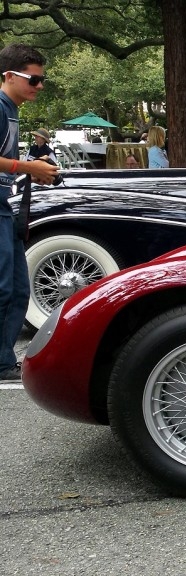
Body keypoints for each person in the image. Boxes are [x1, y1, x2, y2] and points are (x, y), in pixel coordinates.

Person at [0, 44, 60, 382]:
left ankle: (4, 360)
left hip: (4, 206)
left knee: (19, 289)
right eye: (33, 80)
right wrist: (27, 165)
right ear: (9, 76)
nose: (39, 86)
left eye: (42, 80)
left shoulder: (10, 109)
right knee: (5, 287)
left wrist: (31, 171)